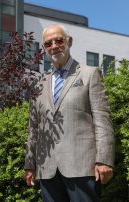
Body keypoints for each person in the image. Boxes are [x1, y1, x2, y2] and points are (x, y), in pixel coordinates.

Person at [24, 24, 115, 201]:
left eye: (59, 40)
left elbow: (102, 120)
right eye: (48, 43)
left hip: (82, 166)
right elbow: (33, 127)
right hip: (47, 168)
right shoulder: (38, 84)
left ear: (69, 42)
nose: (54, 46)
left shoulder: (90, 74)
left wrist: (104, 159)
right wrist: (30, 163)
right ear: (44, 48)